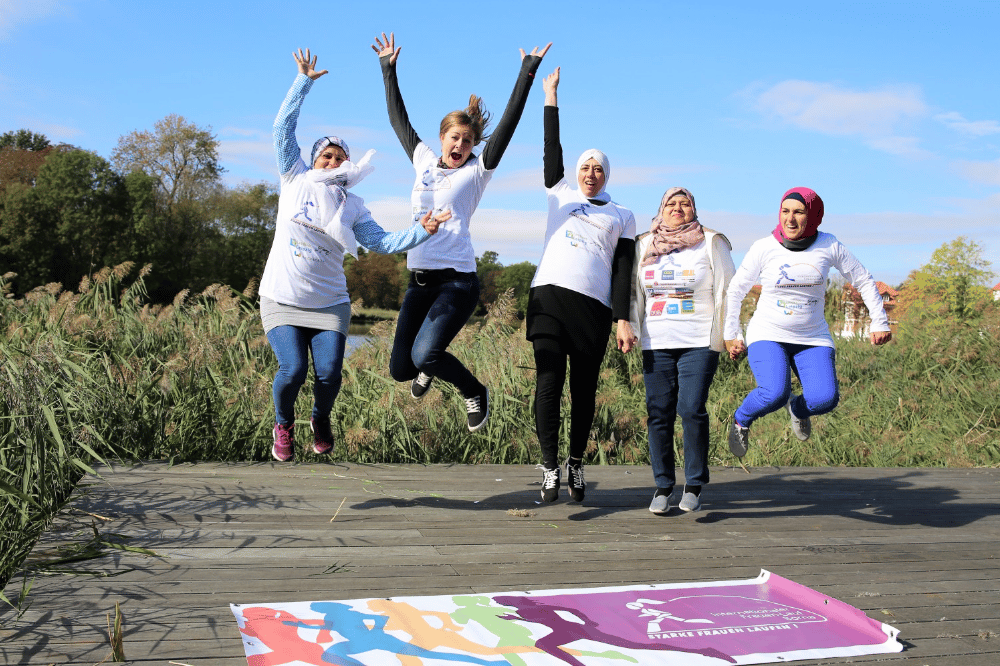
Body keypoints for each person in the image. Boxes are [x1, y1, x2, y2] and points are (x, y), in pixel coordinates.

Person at [259, 48, 450, 462]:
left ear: (348, 164)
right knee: (293, 369)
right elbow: (281, 127)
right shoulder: (294, 177)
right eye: (325, 156)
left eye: (339, 157)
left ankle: (320, 419)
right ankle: (283, 424)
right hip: (282, 297)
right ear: (314, 160)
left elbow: (382, 242)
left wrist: (423, 230)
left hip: (330, 302)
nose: (332, 162)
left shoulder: (353, 205)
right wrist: (303, 81)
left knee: (329, 373)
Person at [372, 32, 550, 432]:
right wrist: (388, 69)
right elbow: (398, 120)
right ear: (442, 138)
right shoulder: (423, 160)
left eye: (468, 141)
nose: (461, 145)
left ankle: (474, 390)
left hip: (456, 282)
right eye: (455, 137)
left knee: (425, 354)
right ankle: (427, 367)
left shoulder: (477, 170)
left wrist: (526, 72)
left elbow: (508, 124)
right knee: (402, 368)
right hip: (419, 283)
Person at [528, 67, 636, 502]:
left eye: (598, 169)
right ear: (576, 171)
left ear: (606, 175)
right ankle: (549, 466)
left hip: (592, 307)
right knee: (548, 380)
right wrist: (550, 96)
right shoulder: (559, 191)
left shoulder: (622, 215)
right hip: (549, 296)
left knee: (584, 390)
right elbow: (551, 146)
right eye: (585, 167)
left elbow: (623, 271)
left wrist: (622, 319)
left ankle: (575, 462)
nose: (591, 173)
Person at [723, 187, 892, 458]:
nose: (790, 219)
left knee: (825, 399)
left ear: (812, 215)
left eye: (799, 212)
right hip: (768, 333)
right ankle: (741, 420)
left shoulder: (829, 245)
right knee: (774, 393)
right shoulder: (764, 247)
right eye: (785, 211)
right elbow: (736, 290)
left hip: (812, 336)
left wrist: (879, 321)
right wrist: (732, 333)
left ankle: (798, 409)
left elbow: (863, 279)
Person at [627, 187, 737, 514]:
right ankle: (663, 486)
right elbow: (633, 291)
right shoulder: (645, 243)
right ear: (661, 210)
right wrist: (629, 327)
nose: (678, 208)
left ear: (694, 209)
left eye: (685, 203)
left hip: (699, 340)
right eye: (671, 203)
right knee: (658, 412)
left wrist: (732, 334)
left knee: (691, 408)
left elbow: (729, 291)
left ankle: (694, 484)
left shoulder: (711, 241)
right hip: (656, 341)